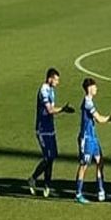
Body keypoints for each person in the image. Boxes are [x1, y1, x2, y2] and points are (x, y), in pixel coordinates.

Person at [28, 68, 72, 198]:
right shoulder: (43, 90)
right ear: (50, 78)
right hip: (42, 129)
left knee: (52, 156)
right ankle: (33, 178)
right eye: (56, 79)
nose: (58, 82)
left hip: (50, 128)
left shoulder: (51, 91)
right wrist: (63, 109)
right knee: (48, 157)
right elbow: (50, 110)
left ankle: (47, 185)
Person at [75, 78, 111, 204]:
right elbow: (99, 119)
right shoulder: (88, 103)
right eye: (94, 86)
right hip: (86, 138)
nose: (96, 89)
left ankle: (101, 191)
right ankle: (78, 193)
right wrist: (110, 118)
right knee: (84, 165)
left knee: (100, 161)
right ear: (89, 88)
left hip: (93, 138)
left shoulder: (90, 101)